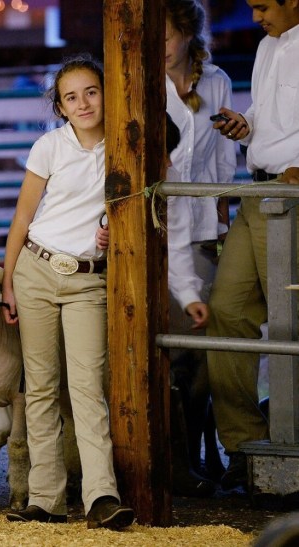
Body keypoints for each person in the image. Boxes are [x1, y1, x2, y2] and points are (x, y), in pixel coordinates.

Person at [0, 54, 134, 530]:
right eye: (71, 97)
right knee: (40, 386)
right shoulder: (49, 148)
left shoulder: (123, 145)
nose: (83, 103)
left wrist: (111, 229)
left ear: (106, 92)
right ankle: (46, 497)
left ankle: (101, 495)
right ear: (59, 106)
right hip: (36, 269)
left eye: (91, 92)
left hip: (86, 281)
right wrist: (8, 282)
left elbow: (129, 207)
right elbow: (22, 219)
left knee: (87, 387)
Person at [206, 0, 299, 491]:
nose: (256, 15)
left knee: (289, 323)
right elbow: (267, 118)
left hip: (291, 195)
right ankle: (245, 445)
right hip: (257, 187)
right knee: (226, 310)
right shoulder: (267, 46)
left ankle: (290, 446)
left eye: (264, 5)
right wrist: (245, 125)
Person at [97, 114, 215, 497]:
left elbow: (177, 242)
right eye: (158, 154)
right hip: (99, 281)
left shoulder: (167, 177)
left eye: (168, 153)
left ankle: (179, 463)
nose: (166, 163)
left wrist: (191, 296)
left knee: (183, 357)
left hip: (146, 282)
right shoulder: (100, 169)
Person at [164, 0, 237, 490]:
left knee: (203, 355)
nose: (159, 45)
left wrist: (221, 216)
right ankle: (172, 462)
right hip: (156, 233)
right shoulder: (137, 81)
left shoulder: (217, 81)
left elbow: (223, 160)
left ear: (188, 32)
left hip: (204, 233)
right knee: (167, 349)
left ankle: (197, 456)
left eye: (166, 34)